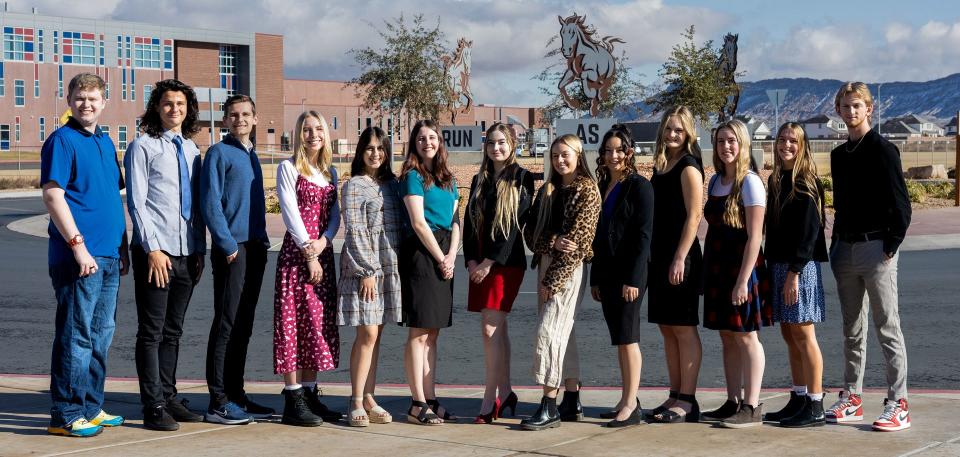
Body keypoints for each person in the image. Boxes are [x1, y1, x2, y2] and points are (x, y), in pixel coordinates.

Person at [42, 73, 130, 437]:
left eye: (93, 98)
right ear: (68, 99)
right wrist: (78, 247)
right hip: (79, 258)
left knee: (100, 336)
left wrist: (121, 246)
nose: (86, 104)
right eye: (79, 98)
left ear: (104, 101)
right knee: (76, 337)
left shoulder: (106, 143)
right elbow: (52, 195)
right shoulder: (62, 140)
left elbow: (112, 197)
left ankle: (91, 407)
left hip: (108, 256)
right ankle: (65, 413)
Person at [826, 82, 912, 432]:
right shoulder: (837, 155)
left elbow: (902, 205)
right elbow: (843, 206)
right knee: (852, 329)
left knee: (887, 326)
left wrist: (889, 247)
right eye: (846, 106)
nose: (851, 112)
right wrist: (835, 247)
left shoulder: (884, 150)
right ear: (839, 111)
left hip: (877, 249)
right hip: (845, 250)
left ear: (869, 109)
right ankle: (853, 397)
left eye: (857, 105)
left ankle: (899, 402)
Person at [124, 79, 206, 431]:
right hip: (156, 253)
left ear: (189, 111)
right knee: (152, 331)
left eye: (181, 105)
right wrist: (152, 248)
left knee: (174, 331)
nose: (175, 109)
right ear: (156, 107)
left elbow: (197, 206)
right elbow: (137, 202)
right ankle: (152, 404)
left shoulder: (191, 150)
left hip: (187, 251)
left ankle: (169, 395)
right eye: (168, 103)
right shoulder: (143, 146)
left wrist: (199, 247)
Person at [200, 94, 273, 425]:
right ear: (225, 120)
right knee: (226, 323)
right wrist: (227, 244)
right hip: (233, 249)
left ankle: (236, 394)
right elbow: (210, 203)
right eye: (233, 114)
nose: (240, 118)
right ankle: (218, 400)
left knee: (244, 324)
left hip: (256, 246)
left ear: (255, 119)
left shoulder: (252, 154)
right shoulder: (218, 152)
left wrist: (263, 238)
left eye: (245, 114)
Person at [521, 134, 601, 431]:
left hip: (568, 271)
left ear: (579, 155)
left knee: (549, 332)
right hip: (546, 263)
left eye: (565, 154)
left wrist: (553, 280)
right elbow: (530, 233)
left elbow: (579, 245)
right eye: (554, 155)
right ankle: (572, 399)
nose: (559, 160)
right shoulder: (549, 190)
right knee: (564, 334)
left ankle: (549, 406)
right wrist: (553, 241)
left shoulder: (587, 191)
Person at [272, 111, 343, 426]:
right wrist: (309, 252)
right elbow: (289, 210)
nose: (313, 134)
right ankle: (293, 397)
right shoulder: (288, 167)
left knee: (316, 324)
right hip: (297, 257)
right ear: (298, 134)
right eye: (306, 129)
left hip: (322, 253)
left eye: (318, 129)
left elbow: (335, 215)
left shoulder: (331, 172)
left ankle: (311, 394)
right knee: (292, 324)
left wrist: (325, 243)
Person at [699, 119, 772, 429]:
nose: (726, 146)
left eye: (732, 141)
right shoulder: (715, 180)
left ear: (743, 145)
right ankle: (732, 401)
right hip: (717, 266)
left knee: (746, 337)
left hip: (743, 269)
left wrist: (743, 280)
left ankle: (752, 405)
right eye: (721, 141)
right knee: (727, 336)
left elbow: (755, 237)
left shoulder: (750, 182)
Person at [463, 123, 534, 424]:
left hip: (504, 264)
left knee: (490, 330)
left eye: (502, 142)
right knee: (496, 329)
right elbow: (468, 223)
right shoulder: (480, 179)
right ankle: (505, 393)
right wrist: (470, 261)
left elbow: (512, 229)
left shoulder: (522, 178)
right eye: (491, 143)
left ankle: (488, 399)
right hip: (478, 263)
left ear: (513, 144)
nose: (496, 148)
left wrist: (489, 263)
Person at [337, 126, 405, 427]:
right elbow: (355, 230)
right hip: (364, 269)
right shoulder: (353, 185)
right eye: (369, 148)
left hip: (388, 265)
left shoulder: (392, 184)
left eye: (380, 148)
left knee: (377, 336)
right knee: (367, 334)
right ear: (360, 152)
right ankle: (354, 400)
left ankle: (369, 397)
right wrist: (366, 271)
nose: (375, 153)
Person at [763, 122, 828, 428]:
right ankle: (799, 396)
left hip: (800, 268)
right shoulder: (776, 180)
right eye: (782, 139)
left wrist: (794, 272)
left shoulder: (807, 182)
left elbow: (809, 233)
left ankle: (815, 404)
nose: (786, 145)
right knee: (789, 334)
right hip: (778, 266)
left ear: (803, 146)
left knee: (804, 333)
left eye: (793, 141)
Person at [589, 125, 653, 428]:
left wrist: (634, 279)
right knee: (620, 338)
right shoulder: (604, 185)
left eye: (619, 150)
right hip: (608, 273)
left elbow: (643, 237)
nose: (613, 155)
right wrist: (596, 279)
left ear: (629, 152)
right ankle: (626, 398)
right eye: (608, 150)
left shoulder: (640, 186)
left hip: (629, 276)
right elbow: (599, 237)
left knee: (628, 338)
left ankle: (631, 405)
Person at [646, 106, 705, 424]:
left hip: (681, 258)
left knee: (683, 328)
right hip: (659, 256)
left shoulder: (688, 167)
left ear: (688, 134)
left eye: (678, 131)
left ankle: (689, 400)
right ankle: (675, 393)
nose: (672, 135)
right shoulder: (662, 164)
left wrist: (680, 257)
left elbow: (694, 216)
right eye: (668, 129)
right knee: (667, 328)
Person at [399, 120, 461, 425]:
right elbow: (418, 222)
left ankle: (431, 397)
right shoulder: (412, 177)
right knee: (419, 331)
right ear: (415, 143)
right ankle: (416, 403)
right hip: (423, 255)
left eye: (432, 137)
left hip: (445, 253)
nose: (427, 142)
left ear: (440, 142)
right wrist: (440, 258)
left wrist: (451, 255)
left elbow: (456, 221)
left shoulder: (448, 179)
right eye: (421, 138)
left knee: (433, 333)